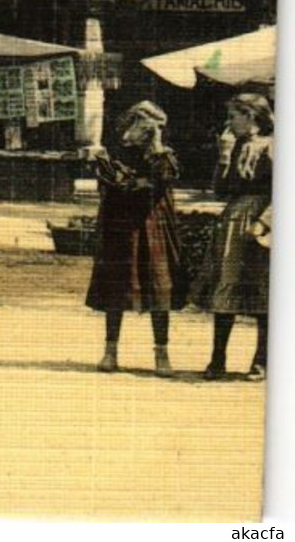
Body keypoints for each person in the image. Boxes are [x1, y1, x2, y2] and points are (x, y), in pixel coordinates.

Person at [86, 101, 188, 377]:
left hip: (153, 224)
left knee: (159, 283)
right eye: (144, 125)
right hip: (121, 225)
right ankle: (110, 351)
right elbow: (110, 181)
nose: (149, 131)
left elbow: (163, 176)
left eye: (156, 127)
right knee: (118, 284)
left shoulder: (162, 154)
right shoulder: (114, 151)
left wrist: (155, 145)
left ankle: (161, 352)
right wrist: (129, 181)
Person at [192, 92, 272, 381]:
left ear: (250, 115)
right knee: (226, 285)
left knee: (263, 290)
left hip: (262, 222)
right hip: (234, 218)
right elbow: (221, 190)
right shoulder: (236, 144)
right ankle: (217, 359)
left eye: (233, 117)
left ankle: (262, 361)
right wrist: (224, 156)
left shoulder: (275, 145)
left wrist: (265, 222)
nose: (229, 123)